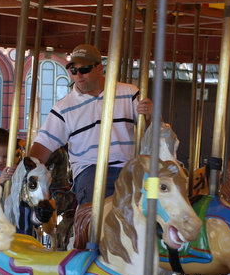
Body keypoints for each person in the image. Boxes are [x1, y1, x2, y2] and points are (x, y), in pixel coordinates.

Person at [28, 43, 152, 206]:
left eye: (84, 69)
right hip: (90, 170)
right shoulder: (63, 108)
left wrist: (150, 115)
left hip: (130, 169)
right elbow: (43, 146)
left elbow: (153, 133)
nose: (78, 75)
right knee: (96, 210)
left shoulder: (128, 93)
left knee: (158, 198)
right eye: (73, 71)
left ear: (99, 68)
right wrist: (27, 171)